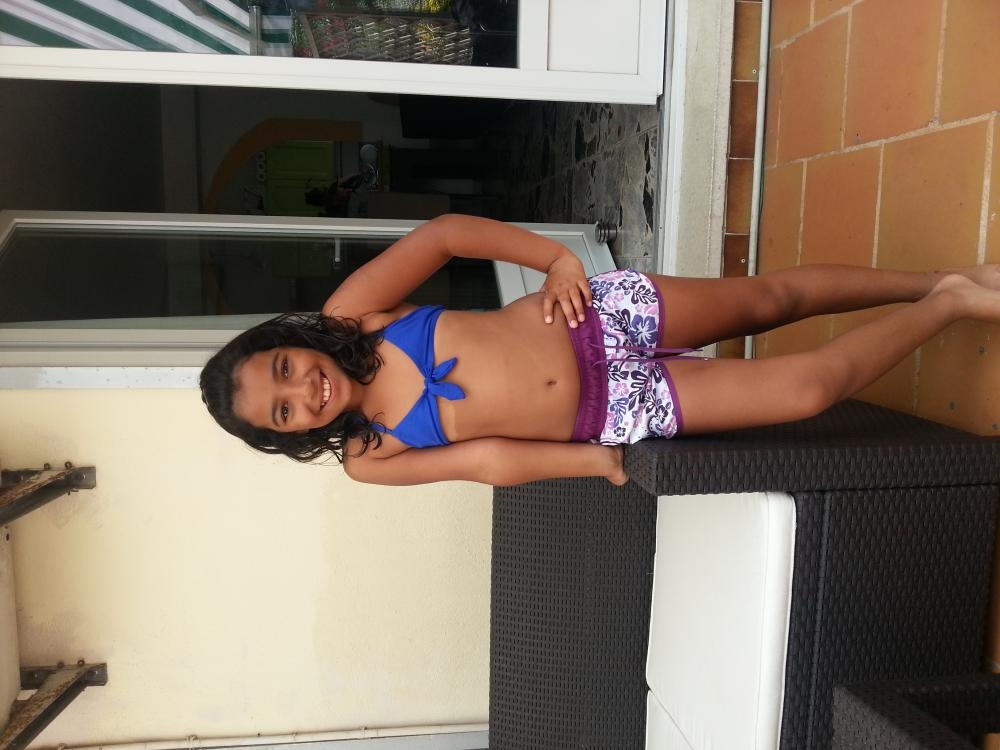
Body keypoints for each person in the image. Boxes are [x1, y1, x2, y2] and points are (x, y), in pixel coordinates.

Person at [200, 214, 1000, 487]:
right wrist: (590, 461)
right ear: (290, 435)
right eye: (284, 412)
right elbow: (487, 462)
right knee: (805, 393)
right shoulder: (369, 458)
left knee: (769, 301)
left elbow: (442, 236)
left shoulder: (353, 316)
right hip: (612, 411)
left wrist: (554, 259)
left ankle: (933, 279)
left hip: (596, 319)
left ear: (286, 342)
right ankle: (951, 305)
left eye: (282, 369)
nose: (303, 390)